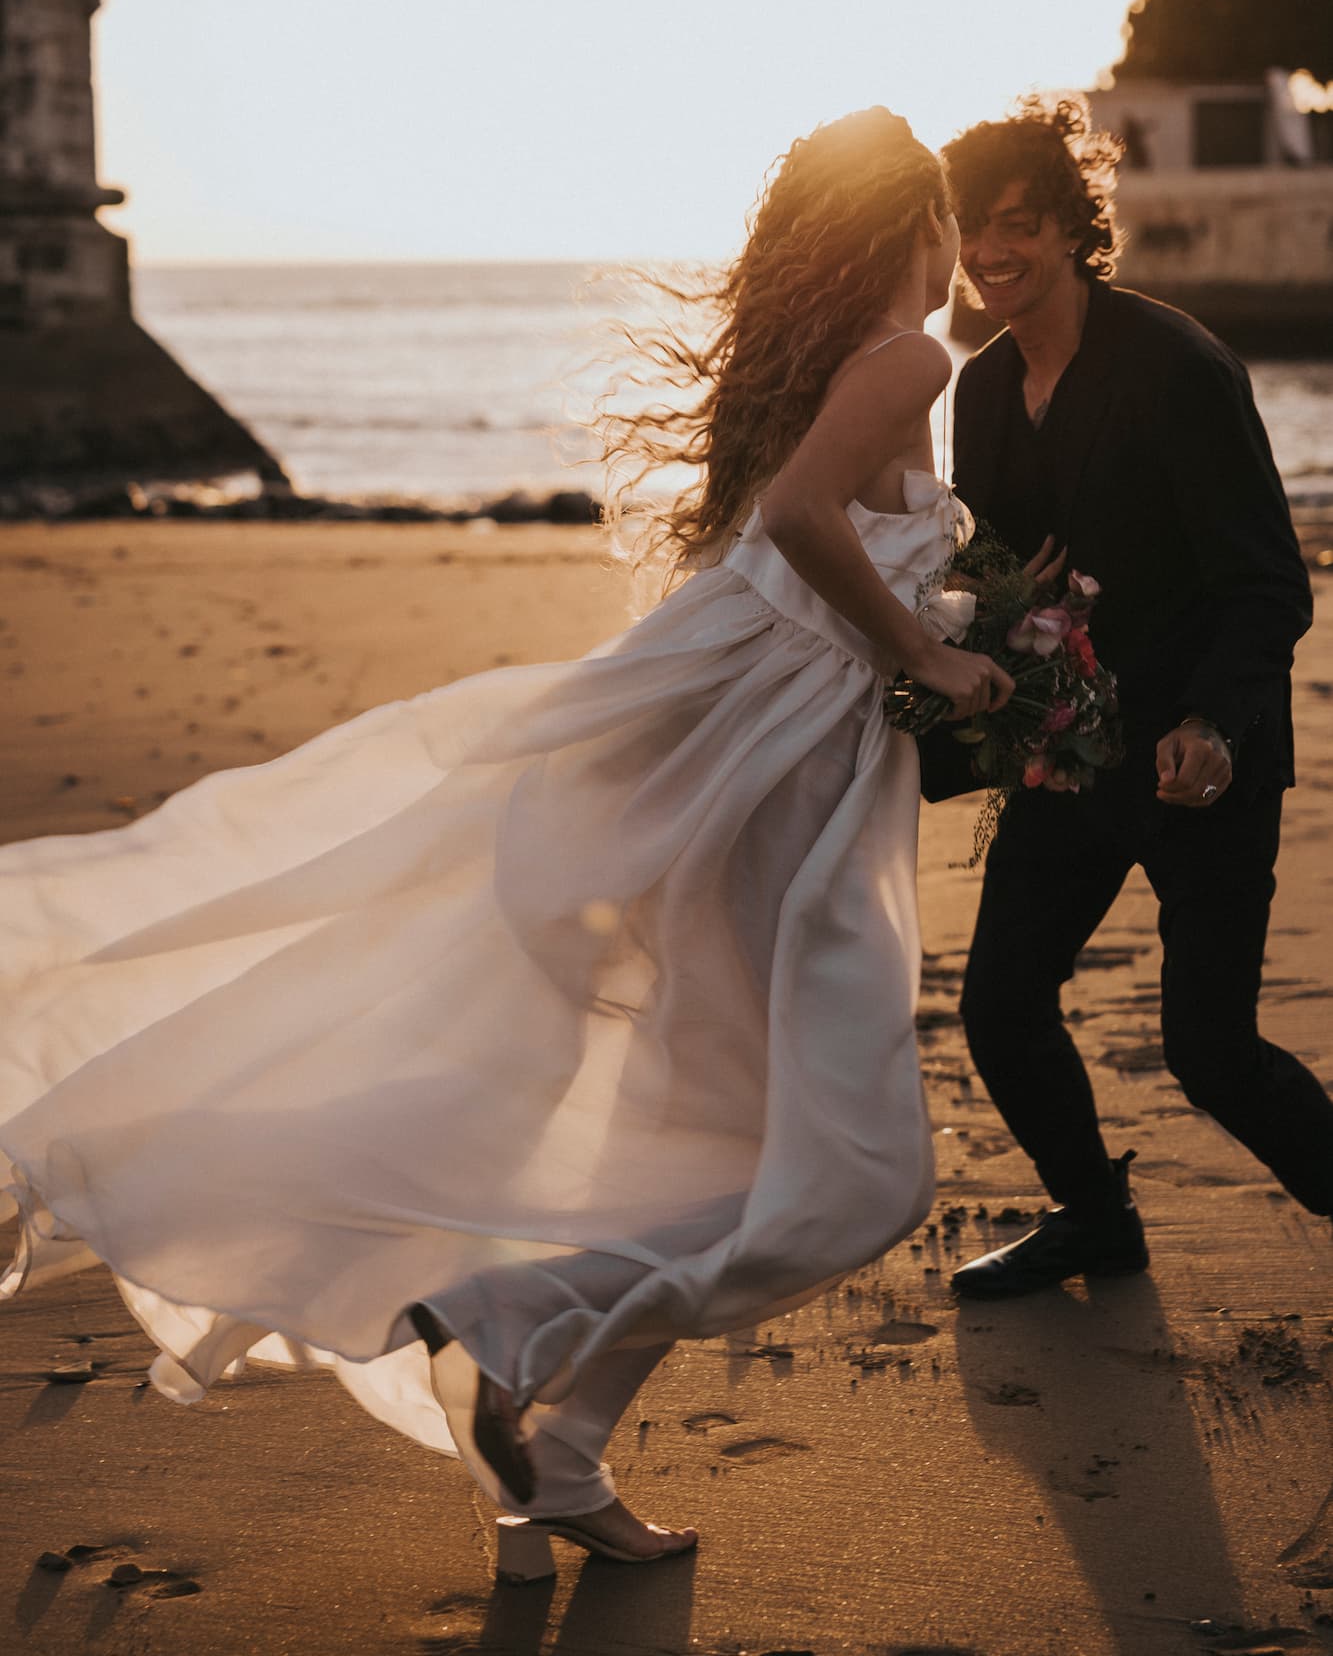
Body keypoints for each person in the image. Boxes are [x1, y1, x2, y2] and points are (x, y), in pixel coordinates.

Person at [0, 108, 1012, 1578]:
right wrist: (935, 651)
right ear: (909, 223)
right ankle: (511, 1338)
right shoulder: (908, 357)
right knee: (850, 1179)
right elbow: (801, 524)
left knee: (736, 1163)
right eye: (943, 225)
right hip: (770, 814)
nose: (956, 262)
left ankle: (558, 1442)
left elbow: (780, 550)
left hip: (741, 795)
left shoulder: (810, 368)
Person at [935, 96, 1326, 1302]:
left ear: (1068, 224)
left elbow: (1267, 579)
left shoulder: (1178, 366)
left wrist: (1211, 724)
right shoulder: (986, 389)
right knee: (1001, 1005)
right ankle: (1095, 1216)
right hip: (1068, 758)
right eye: (971, 231)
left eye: (1016, 226)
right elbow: (992, 573)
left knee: (1210, 1050)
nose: (992, 254)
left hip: (1200, 758)